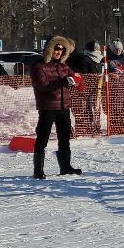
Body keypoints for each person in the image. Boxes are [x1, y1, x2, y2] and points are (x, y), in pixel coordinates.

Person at [28, 36, 86, 179]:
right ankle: (38, 170)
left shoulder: (63, 66)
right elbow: (43, 85)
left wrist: (77, 81)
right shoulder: (38, 66)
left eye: (61, 49)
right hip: (47, 107)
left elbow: (79, 84)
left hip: (64, 106)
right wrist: (64, 81)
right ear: (49, 49)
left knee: (65, 136)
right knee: (43, 137)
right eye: (56, 48)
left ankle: (65, 167)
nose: (59, 52)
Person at [103, 41, 124, 135]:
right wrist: (110, 75)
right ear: (112, 49)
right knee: (115, 107)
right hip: (114, 87)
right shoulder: (108, 60)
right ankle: (114, 127)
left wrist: (122, 74)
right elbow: (104, 73)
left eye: (119, 49)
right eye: (116, 49)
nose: (118, 51)